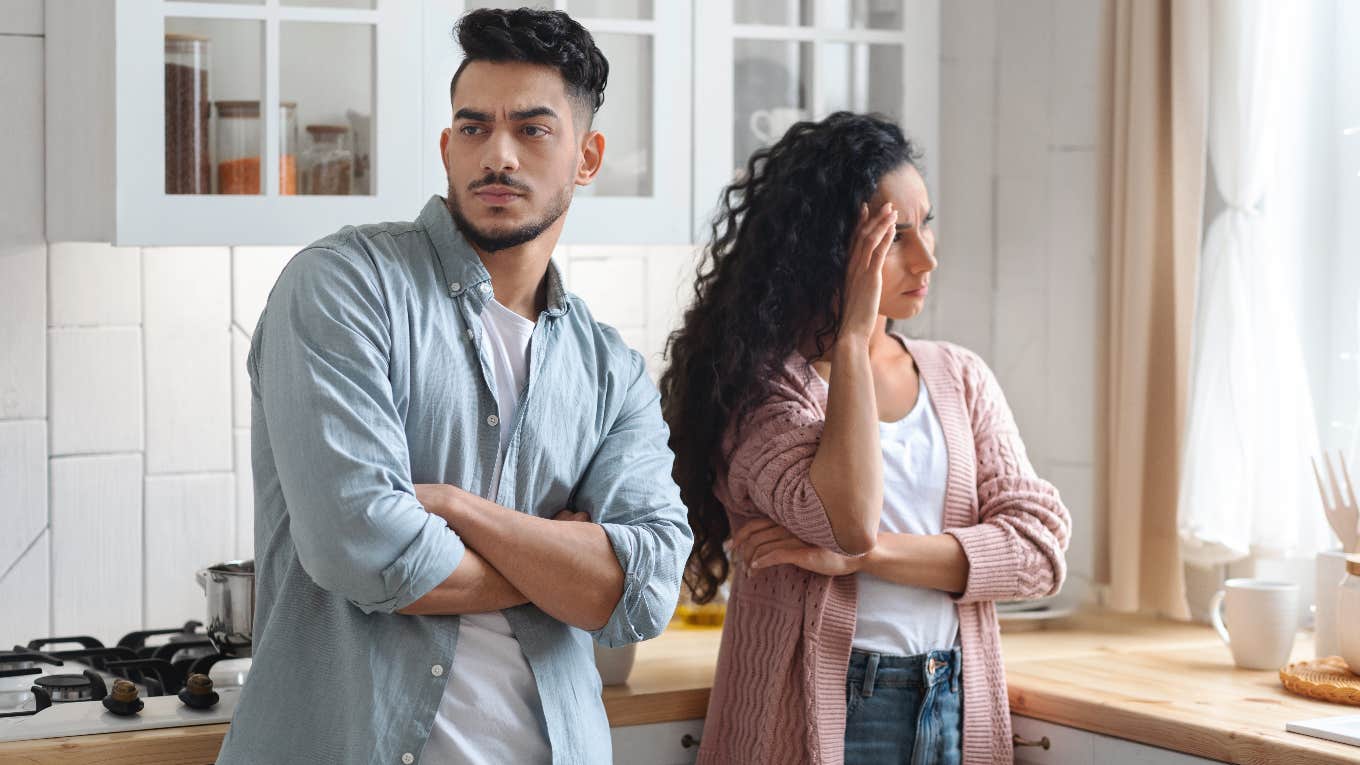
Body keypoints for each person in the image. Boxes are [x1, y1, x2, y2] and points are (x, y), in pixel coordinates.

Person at [217, 8, 691, 764]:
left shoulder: (610, 371)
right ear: (447, 145)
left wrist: (460, 510)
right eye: (474, 127)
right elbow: (367, 552)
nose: (496, 154)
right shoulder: (342, 288)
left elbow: (645, 590)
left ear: (587, 156)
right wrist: (565, 561)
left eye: (532, 129)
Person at [660, 112, 1071, 765]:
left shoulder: (960, 378)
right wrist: (853, 335)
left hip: (954, 699)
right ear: (829, 249)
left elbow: (1039, 552)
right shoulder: (762, 393)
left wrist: (866, 557)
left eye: (927, 223)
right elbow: (845, 517)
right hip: (820, 708)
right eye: (895, 236)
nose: (927, 256)